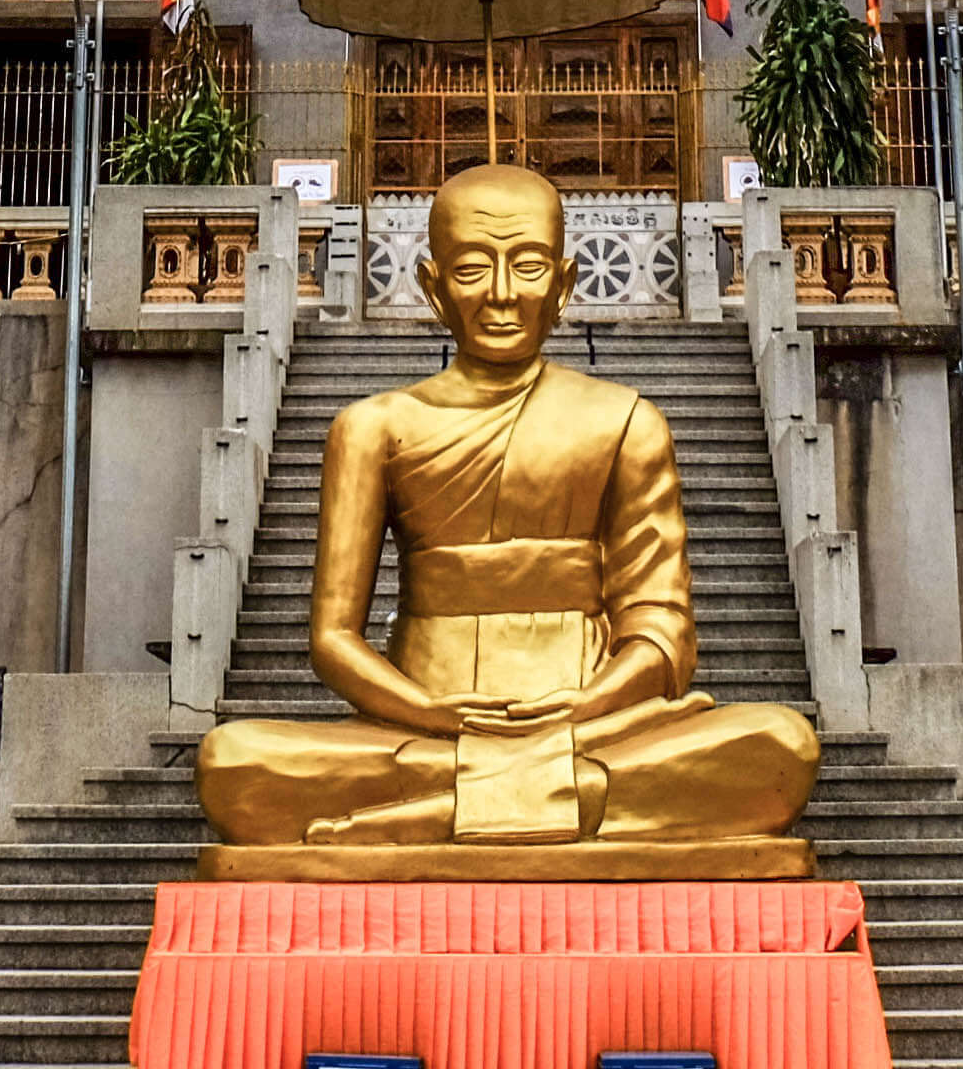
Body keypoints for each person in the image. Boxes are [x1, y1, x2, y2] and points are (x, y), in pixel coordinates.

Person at [194, 161, 820, 857]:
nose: (500, 295)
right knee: (231, 761)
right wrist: (428, 711)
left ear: (564, 282)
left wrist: (591, 703)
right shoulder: (374, 428)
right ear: (433, 287)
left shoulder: (624, 421)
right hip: (423, 729)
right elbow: (334, 640)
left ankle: (445, 806)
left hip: (587, 721)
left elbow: (661, 625)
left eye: (526, 266)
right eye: (470, 270)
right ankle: (554, 798)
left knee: (780, 746)